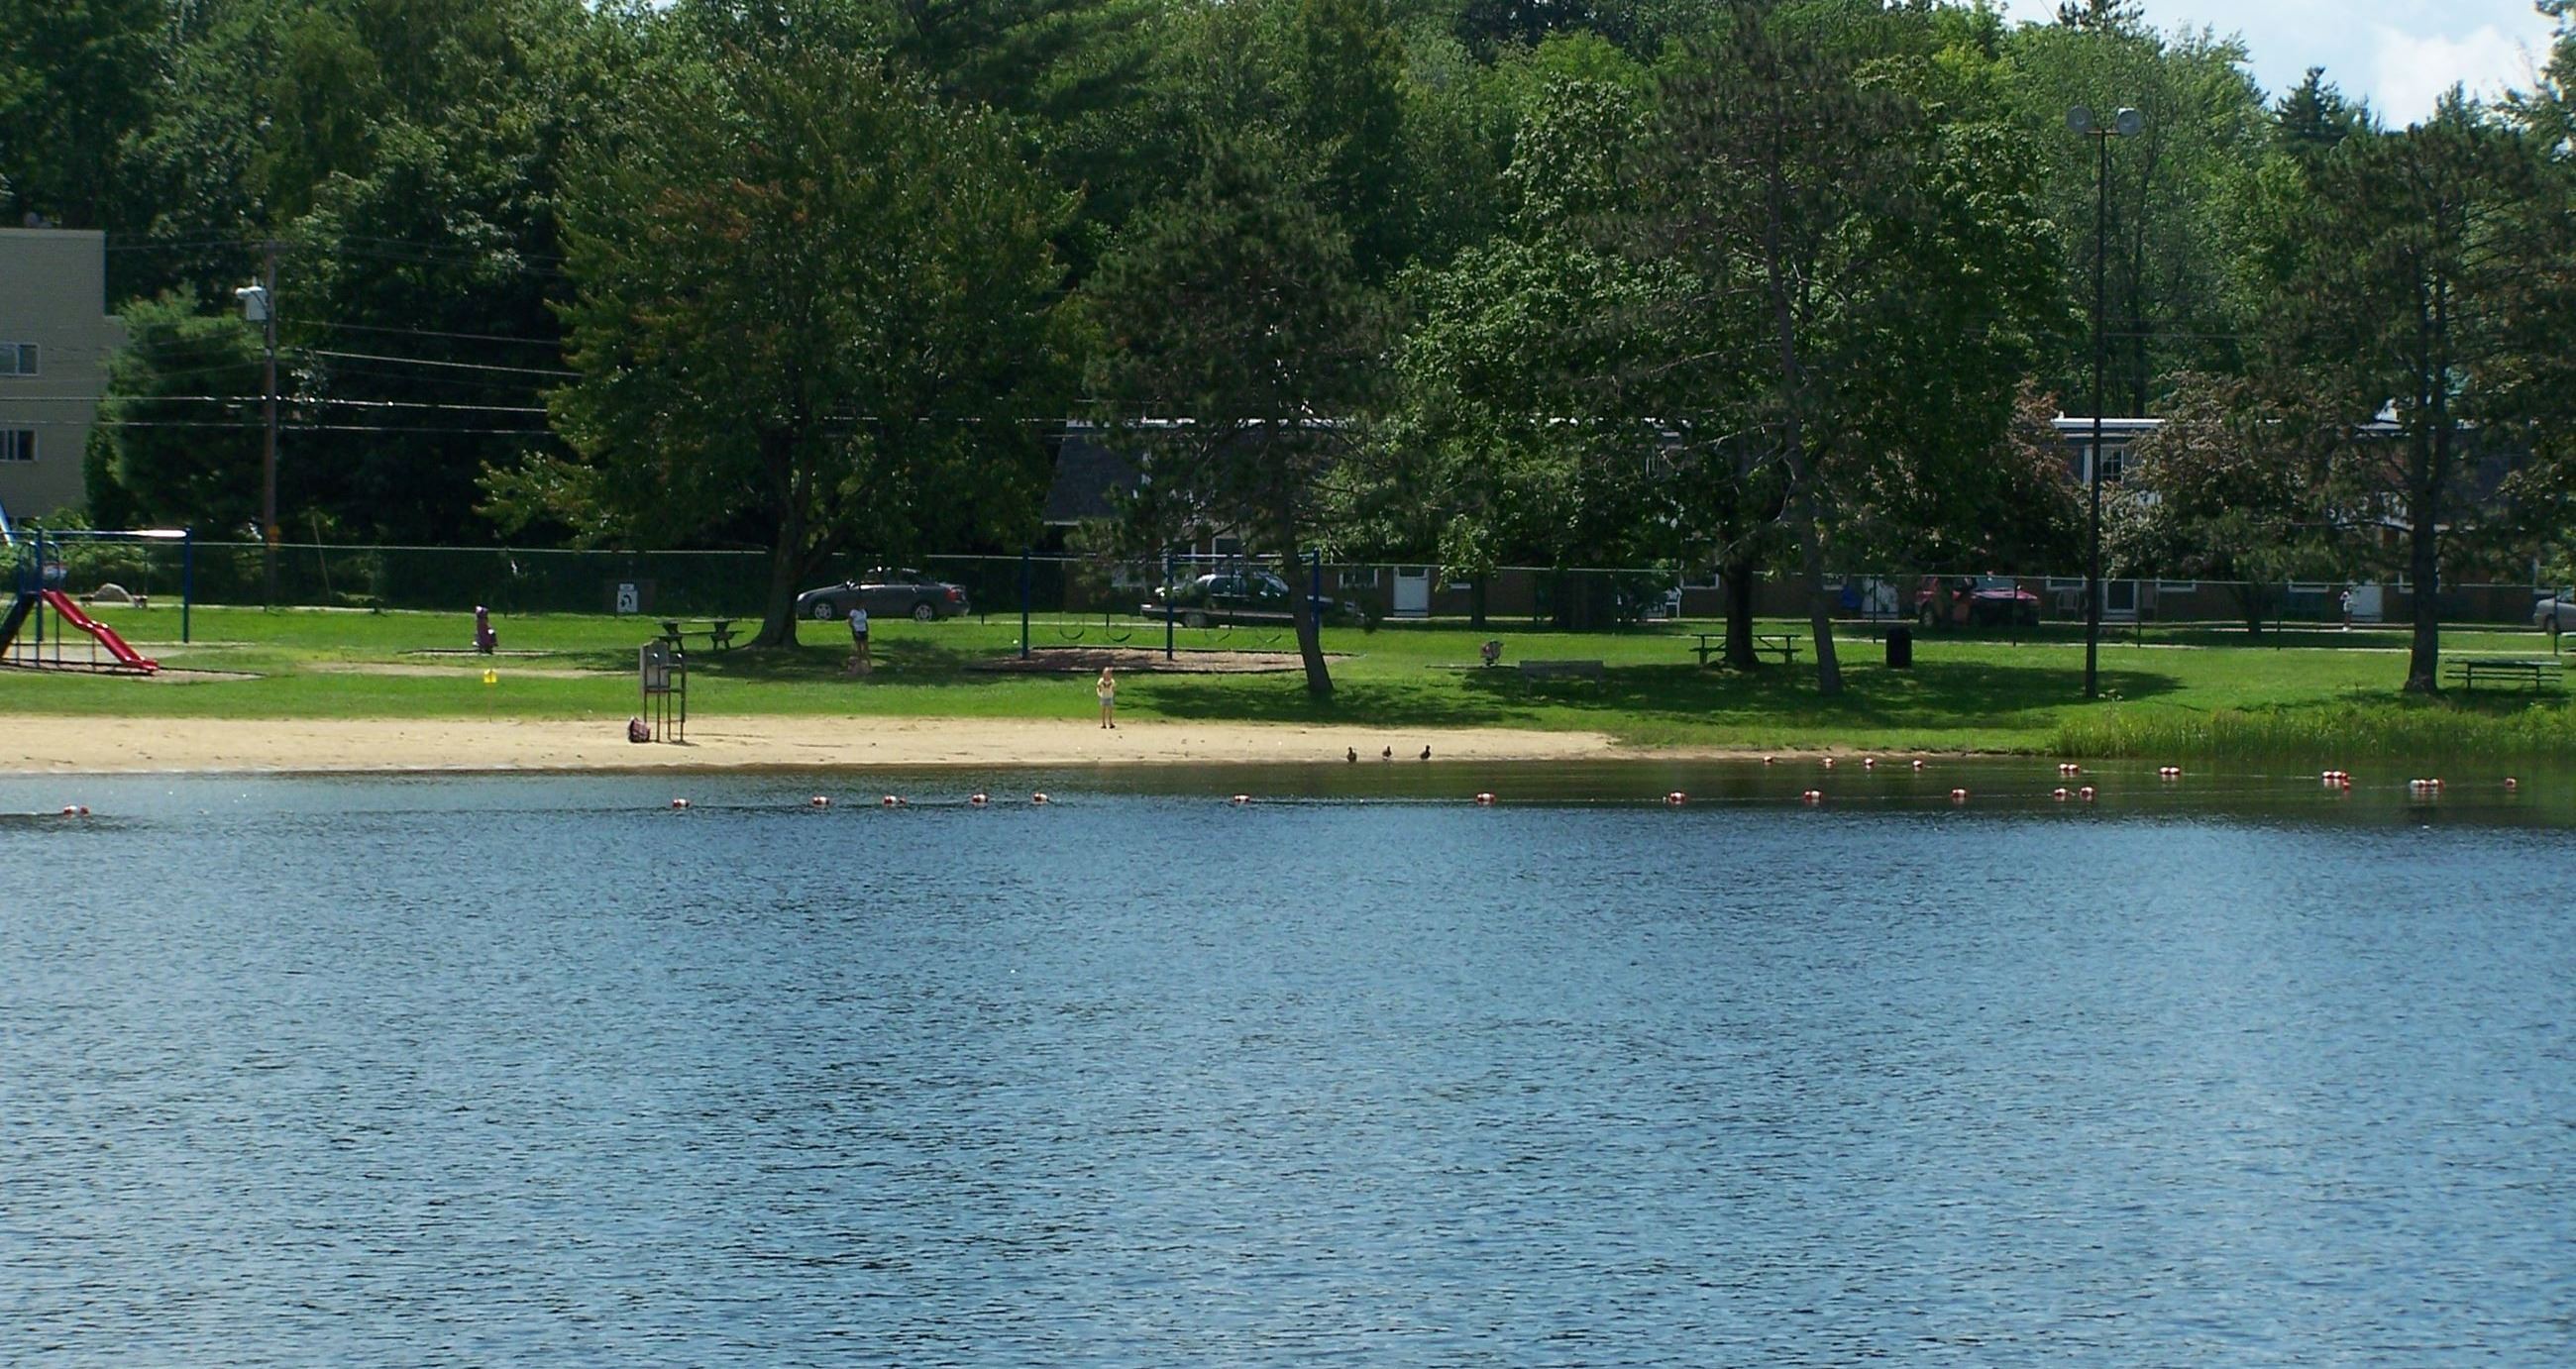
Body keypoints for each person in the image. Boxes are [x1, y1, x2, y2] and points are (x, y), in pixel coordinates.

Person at [846, 603, 871, 676]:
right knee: (858, 648)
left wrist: (867, 628)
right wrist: (855, 631)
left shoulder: (863, 611)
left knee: (866, 648)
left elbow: (865, 621)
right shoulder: (853, 612)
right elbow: (850, 622)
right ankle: (858, 665)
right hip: (857, 631)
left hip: (863, 631)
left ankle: (869, 664)